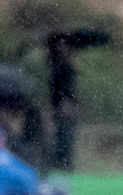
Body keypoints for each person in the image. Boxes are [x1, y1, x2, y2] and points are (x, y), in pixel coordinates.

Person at [47, 33, 78, 171]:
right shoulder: (57, 64)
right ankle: (62, 162)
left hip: (64, 103)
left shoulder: (64, 65)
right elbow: (57, 86)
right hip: (60, 103)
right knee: (61, 133)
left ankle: (65, 163)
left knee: (66, 133)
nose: (61, 47)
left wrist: (66, 101)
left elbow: (67, 86)